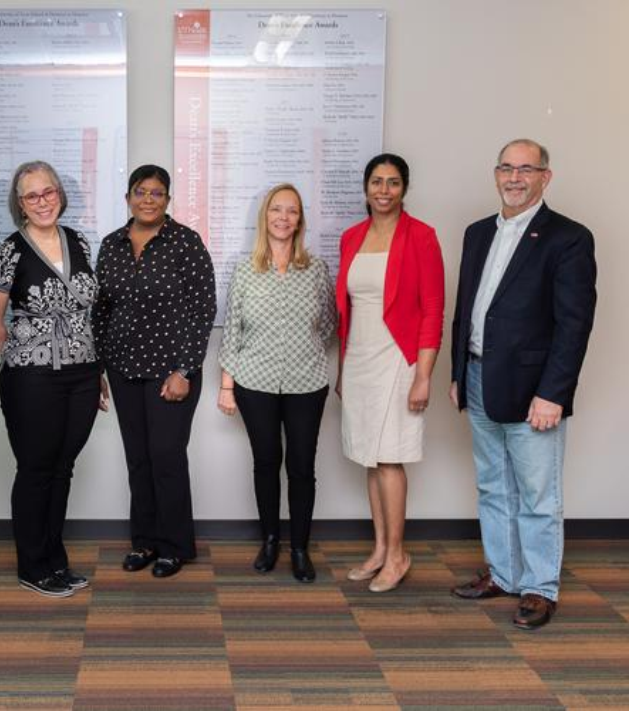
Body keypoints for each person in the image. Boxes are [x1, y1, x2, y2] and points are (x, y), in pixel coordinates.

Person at [449, 139, 596, 630]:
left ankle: (539, 588)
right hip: (477, 377)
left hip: (536, 389)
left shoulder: (568, 238)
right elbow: (465, 308)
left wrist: (554, 393)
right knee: (493, 486)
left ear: (545, 177)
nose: (514, 177)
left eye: (526, 169)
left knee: (538, 495)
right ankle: (505, 573)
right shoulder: (476, 233)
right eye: (507, 168)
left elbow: (574, 325)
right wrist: (456, 373)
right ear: (495, 174)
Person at [0, 161, 103, 598]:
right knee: (36, 469)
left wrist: (94, 367)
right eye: (31, 195)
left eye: (48, 192)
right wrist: (20, 356)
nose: (42, 201)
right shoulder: (9, 251)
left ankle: (56, 560)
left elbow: (89, 309)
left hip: (83, 373)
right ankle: (33, 565)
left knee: (63, 468)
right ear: (20, 204)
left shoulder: (79, 241)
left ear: (59, 193)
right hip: (32, 378)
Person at [93, 164, 216, 579]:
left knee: (166, 457)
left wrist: (185, 369)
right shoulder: (111, 245)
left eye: (157, 193)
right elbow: (101, 309)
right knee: (138, 460)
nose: (148, 199)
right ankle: (144, 541)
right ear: (128, 196)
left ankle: (175, 545)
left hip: (172, 371)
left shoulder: (185, 242)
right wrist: (98, 369)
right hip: (123, 368)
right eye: (140, 191)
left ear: (168, 199)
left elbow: (203, 310)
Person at [335, 153, 444, 593]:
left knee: (389, 456)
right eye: (377, 182)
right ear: (366, 188)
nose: (384, 190)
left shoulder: (421, 237)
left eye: (393, 183)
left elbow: (433, 310)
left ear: (404, 188)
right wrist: (343, 368)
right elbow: (347, 309)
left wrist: (423, 375)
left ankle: (398, 554)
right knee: (368, 454)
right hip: (359, 359)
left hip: (400, 359)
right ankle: (380, 548)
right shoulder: (352, 237)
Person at [218, 183, 336, 582]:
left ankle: (300, 548)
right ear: (264, 216)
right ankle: (270, 540)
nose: (284, 218)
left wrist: (303, 349)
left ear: (300, 220)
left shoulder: (316, 269)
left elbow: (329, 324)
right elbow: (232, 328)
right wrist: (227, 384)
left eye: (292, 211)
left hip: (307, 381)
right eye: (277, 210)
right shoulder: (244, 268)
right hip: (255, 381)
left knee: (302, 466)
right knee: (266, 462)